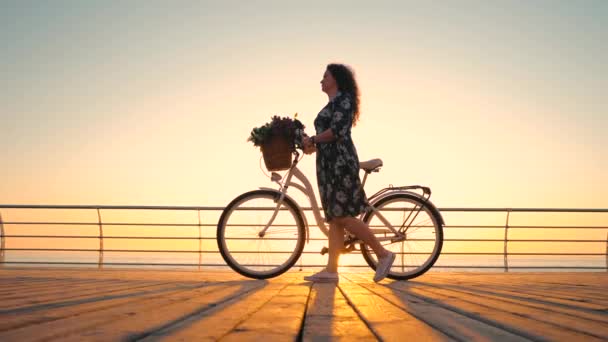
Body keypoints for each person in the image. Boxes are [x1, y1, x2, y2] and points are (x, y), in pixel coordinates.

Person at [302, 63, 395, 283]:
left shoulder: (344, 100)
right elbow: (326, 136)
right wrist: (310, 143)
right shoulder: (332, 103)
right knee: (335, 218)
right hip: (328, 164)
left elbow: (337, 132)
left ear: (337, 79)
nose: (321, 79)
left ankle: (383, 254)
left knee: (343, 215)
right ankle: (331, 271)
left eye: (325, 75)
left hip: (340, 164)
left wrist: (315, 139)